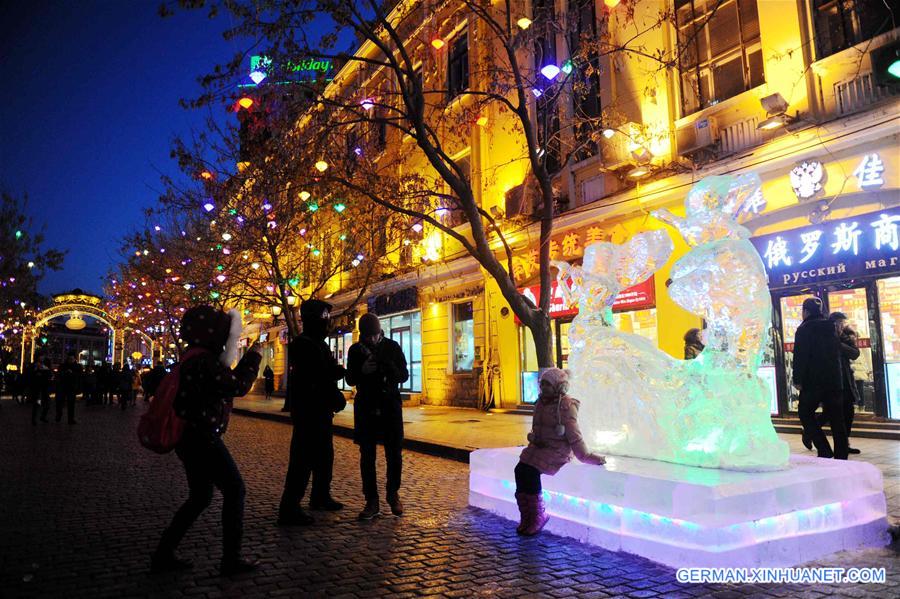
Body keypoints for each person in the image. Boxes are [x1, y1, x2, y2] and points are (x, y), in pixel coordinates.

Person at [152, 305, 261, 576]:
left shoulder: (194, 357)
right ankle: (230, 559)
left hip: (191, 437)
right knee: (234, 489)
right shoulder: (203, 362)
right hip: (201, 437)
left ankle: (164, 552)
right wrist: (253, 358)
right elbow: (236, 385)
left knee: (200, 496)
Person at [277, 299, 347, 526]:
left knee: (324, 456)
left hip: (320, 410)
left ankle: (320, 496)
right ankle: (290, 507)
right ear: (315, 320)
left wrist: (335, 373)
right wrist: (333, 381)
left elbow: (324, 371)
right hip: (309, 411)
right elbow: (315, 377)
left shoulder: (317, 343)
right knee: (302, 460)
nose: (329, 322)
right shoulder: (304, 344)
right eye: (325, 317)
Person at [514, 368, 606, 536]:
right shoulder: (541, 402)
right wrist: (534, 439)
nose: (543, 387)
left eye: (547, 384)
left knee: (530, 471)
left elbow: (574, 434)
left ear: (560, 386)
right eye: (542, 383)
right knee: (520, 470)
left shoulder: (566, 405)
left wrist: (586, 457)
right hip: (540, 447)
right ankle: (526, 517)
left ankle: (538, 516)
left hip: (558, 451)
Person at [346, 313, 409, 520]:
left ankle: (393, 494)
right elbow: (350, 379)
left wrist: (389, 367)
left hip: (389, 405)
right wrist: (362, 370)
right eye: (368, 336)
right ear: (362, 334)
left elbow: (403, 375)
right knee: (367, 456)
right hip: (366, 406)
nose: (372, 339)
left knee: (394, 454)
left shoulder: (391, 346)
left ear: (380, 332)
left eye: (375, 335)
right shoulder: (355, 350)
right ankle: (371, 500)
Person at [793, 297, 846, 459]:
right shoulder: (831, 326)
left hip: (813, 382)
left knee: (805, 413)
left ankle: (823, 448)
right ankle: (841, 455)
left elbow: (800, 357)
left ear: (806, 311)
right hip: (834, 381)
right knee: (837, 418)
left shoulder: (804, 329)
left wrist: (797, 379)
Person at [804, 312, 863, 455]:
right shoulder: (823, 337)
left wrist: (839, 344)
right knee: (829, 414)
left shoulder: (846, 336)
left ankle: (845, 444)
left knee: (848, 413)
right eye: (838, 323)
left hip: (846, 380)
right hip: (830, 382)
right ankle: (809, 432)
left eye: (843, 323)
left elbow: (855, 353)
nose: (841, 326)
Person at [55, 352, 82, 424]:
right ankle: (59, 414)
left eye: (72, 359)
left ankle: (70, 419)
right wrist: (65, 373)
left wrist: (72, 373)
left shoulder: (78, 366)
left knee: (71, 404)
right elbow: (59, 374)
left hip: (72, 387)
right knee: (60, 402)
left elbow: (80, 376)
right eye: (69, 359)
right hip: (63, 386)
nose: (70, 360)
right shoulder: (63, 366)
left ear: (74, 359)